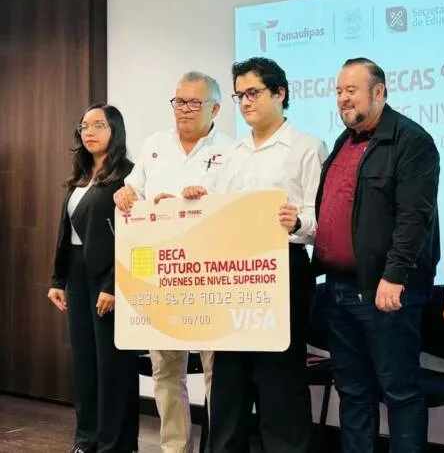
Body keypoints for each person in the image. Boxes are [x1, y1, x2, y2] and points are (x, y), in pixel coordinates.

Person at [183, 56, 326, 453]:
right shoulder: (232, 152)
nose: (245, 102)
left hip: (284, 267)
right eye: (239, 95)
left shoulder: (307, 147)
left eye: (253, 93)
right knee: (228, 381)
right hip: (234, 272)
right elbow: (218, 208)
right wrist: (197, 197)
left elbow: (322, 219)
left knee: (279, 380)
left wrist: (298, 222)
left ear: (279, 93)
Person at [313, 57, 440, 453]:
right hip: (339, 290)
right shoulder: (344, 141)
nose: (342, 98)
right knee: (353, 392)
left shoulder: (411, 141)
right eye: (338, 91)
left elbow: (414, 217)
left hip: (384, 291)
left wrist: (395, 275)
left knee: (400, 392)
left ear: (379, 91)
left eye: (351, 90)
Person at [113, 71, 232, 453]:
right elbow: (132, 191)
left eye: (194, 102)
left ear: (215, 108)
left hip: (211, 275)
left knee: (217, 372)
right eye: (179, 101)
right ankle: (174, 448)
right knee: (166, 370)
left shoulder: (232, 150)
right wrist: (127, 196)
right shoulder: (154, 145)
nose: (184, 109)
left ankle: (216, 447)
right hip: (162, 277)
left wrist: (204, 201)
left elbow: (237, 209)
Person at [48, 104, 139, 453]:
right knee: (85, 365)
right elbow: (66, 232)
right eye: (84, 126)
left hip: (109, 277)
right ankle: (86, 441)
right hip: (76, 271)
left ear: (115, 130)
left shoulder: (129, 176)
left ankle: (115, 445)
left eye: (98, 125)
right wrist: (58, 279)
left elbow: (133, 239)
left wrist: (113, 285)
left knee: (113, 367)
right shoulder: (82, 175)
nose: (89, 132)